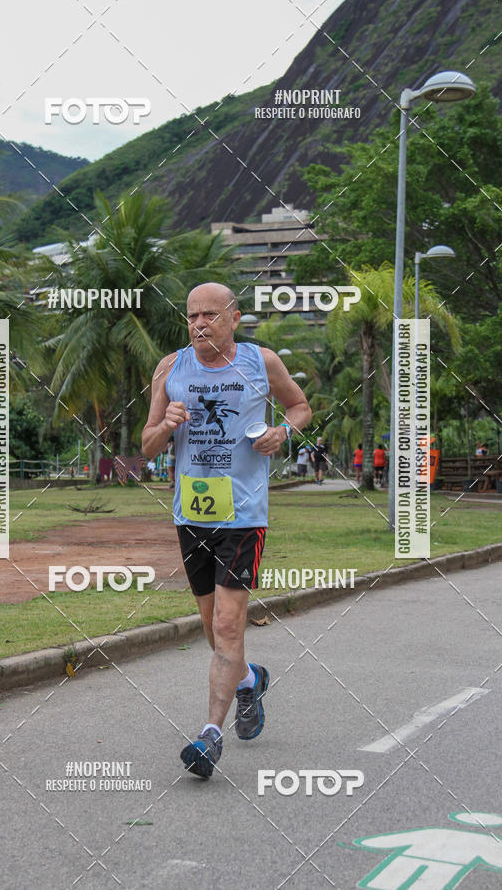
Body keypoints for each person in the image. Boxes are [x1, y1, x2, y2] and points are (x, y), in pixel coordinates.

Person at [142, 282, 312, 779]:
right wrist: (166, 425)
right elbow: (147, 445)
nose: (200, 323)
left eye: (211, 315)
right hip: (192, 514)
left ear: (234, 318)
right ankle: (249, 680)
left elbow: (299, 407)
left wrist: (282, 431)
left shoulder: (262, 362)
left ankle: (210, 736)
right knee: (211, 628)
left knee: (226, 627)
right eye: (193, 315)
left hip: (243, 515)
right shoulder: (170, 368)